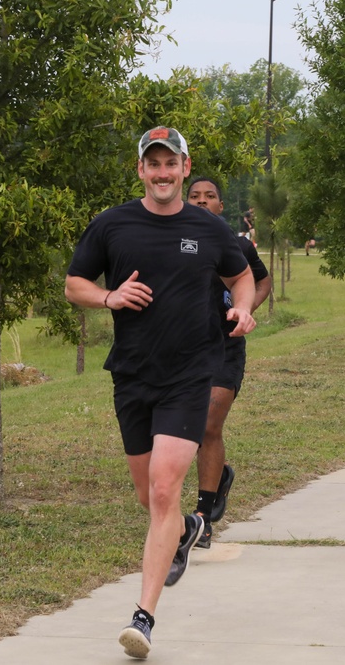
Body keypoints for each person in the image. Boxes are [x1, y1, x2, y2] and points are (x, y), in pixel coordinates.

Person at [65, 127, 256, 660]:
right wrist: (109, 296)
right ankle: (192, 527)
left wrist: (243, 309)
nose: (163, 173)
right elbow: (73, 284)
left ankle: (143, 618)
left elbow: (240, 276)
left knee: (166, 489)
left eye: (171, 163)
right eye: (154, 164)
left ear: (185, 167)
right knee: (150, 499)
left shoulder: (208, 227)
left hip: (191, 372)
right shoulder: (112, 224)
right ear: (141, 170)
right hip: (132, 374)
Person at [185, 176, 272, 548]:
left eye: (210, 197)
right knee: (183, 430)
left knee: (207, 424)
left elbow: (262, 281)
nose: (202, 202)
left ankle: (203, 517)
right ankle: (218, 478)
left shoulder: (236, 246)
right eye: (195, 196)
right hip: (182, 350)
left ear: (222, 206)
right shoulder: (173, 244)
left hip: (225, 346)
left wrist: (245, 308)